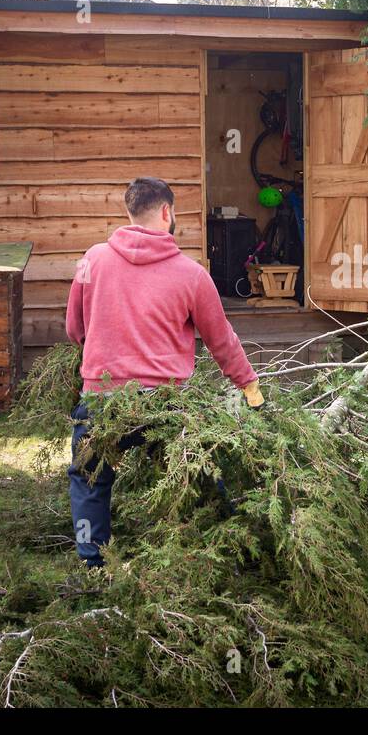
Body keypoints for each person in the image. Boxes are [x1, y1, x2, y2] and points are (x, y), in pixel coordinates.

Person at [64, 176, 263, 567]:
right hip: (166, 403)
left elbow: (75, 329)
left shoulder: (92, 260)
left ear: (129, 213)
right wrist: (249, 385)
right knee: (199, 468)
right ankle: (230, 547)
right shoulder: (192, 275)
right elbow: (221, 340)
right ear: (167, 212)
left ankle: (93, 565)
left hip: (103, 400)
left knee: (89, 477)